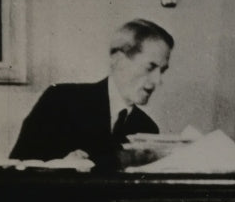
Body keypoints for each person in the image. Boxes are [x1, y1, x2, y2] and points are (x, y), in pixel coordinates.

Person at [9, 19, 174, 168]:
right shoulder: (60, 101)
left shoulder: (147, 129)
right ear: (118, 59)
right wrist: (61, 168)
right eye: (150, 67)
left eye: (162, 71)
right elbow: (16, 171)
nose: (157, 80)